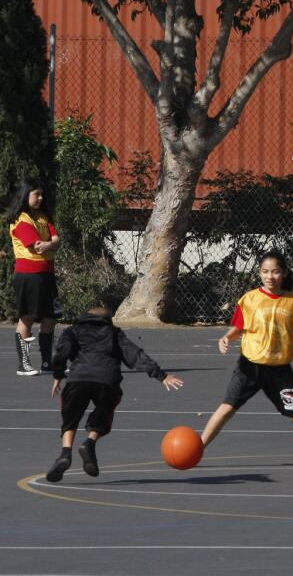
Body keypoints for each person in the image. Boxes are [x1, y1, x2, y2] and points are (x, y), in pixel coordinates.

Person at [200, 252, 293, 466]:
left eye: (275, 271)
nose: (270, 276)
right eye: (265, 271)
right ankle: (199, 447)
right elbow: (239, 328)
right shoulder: (249, 299)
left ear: (283, 273)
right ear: (259, 273)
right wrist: (227, 337)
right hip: (249, 367)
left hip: (279, 370)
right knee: (226, 408)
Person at [45, 306, 184, 481]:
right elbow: (134, 354)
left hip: (78, 378)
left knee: (70, 416)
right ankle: (89, 442)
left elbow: (62, 351)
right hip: (107, 379)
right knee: (105, 411)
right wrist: (160, 375)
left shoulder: (73, 330)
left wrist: (58, 374)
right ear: (108, 320)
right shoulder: (114, 332)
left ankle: (65, 453)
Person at [6, 180, 61, 376]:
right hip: (28, 276)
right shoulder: (20, 220)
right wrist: (49, 244)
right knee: (27, 318)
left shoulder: (43, 216)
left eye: (42, 194)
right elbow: (37, 246)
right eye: (36, 194)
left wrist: (50, 244)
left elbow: (56, 239)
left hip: (47, 274)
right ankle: (24, 364)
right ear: (25, 195)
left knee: (49, 319)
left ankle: (47, 362)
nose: (40, 198)